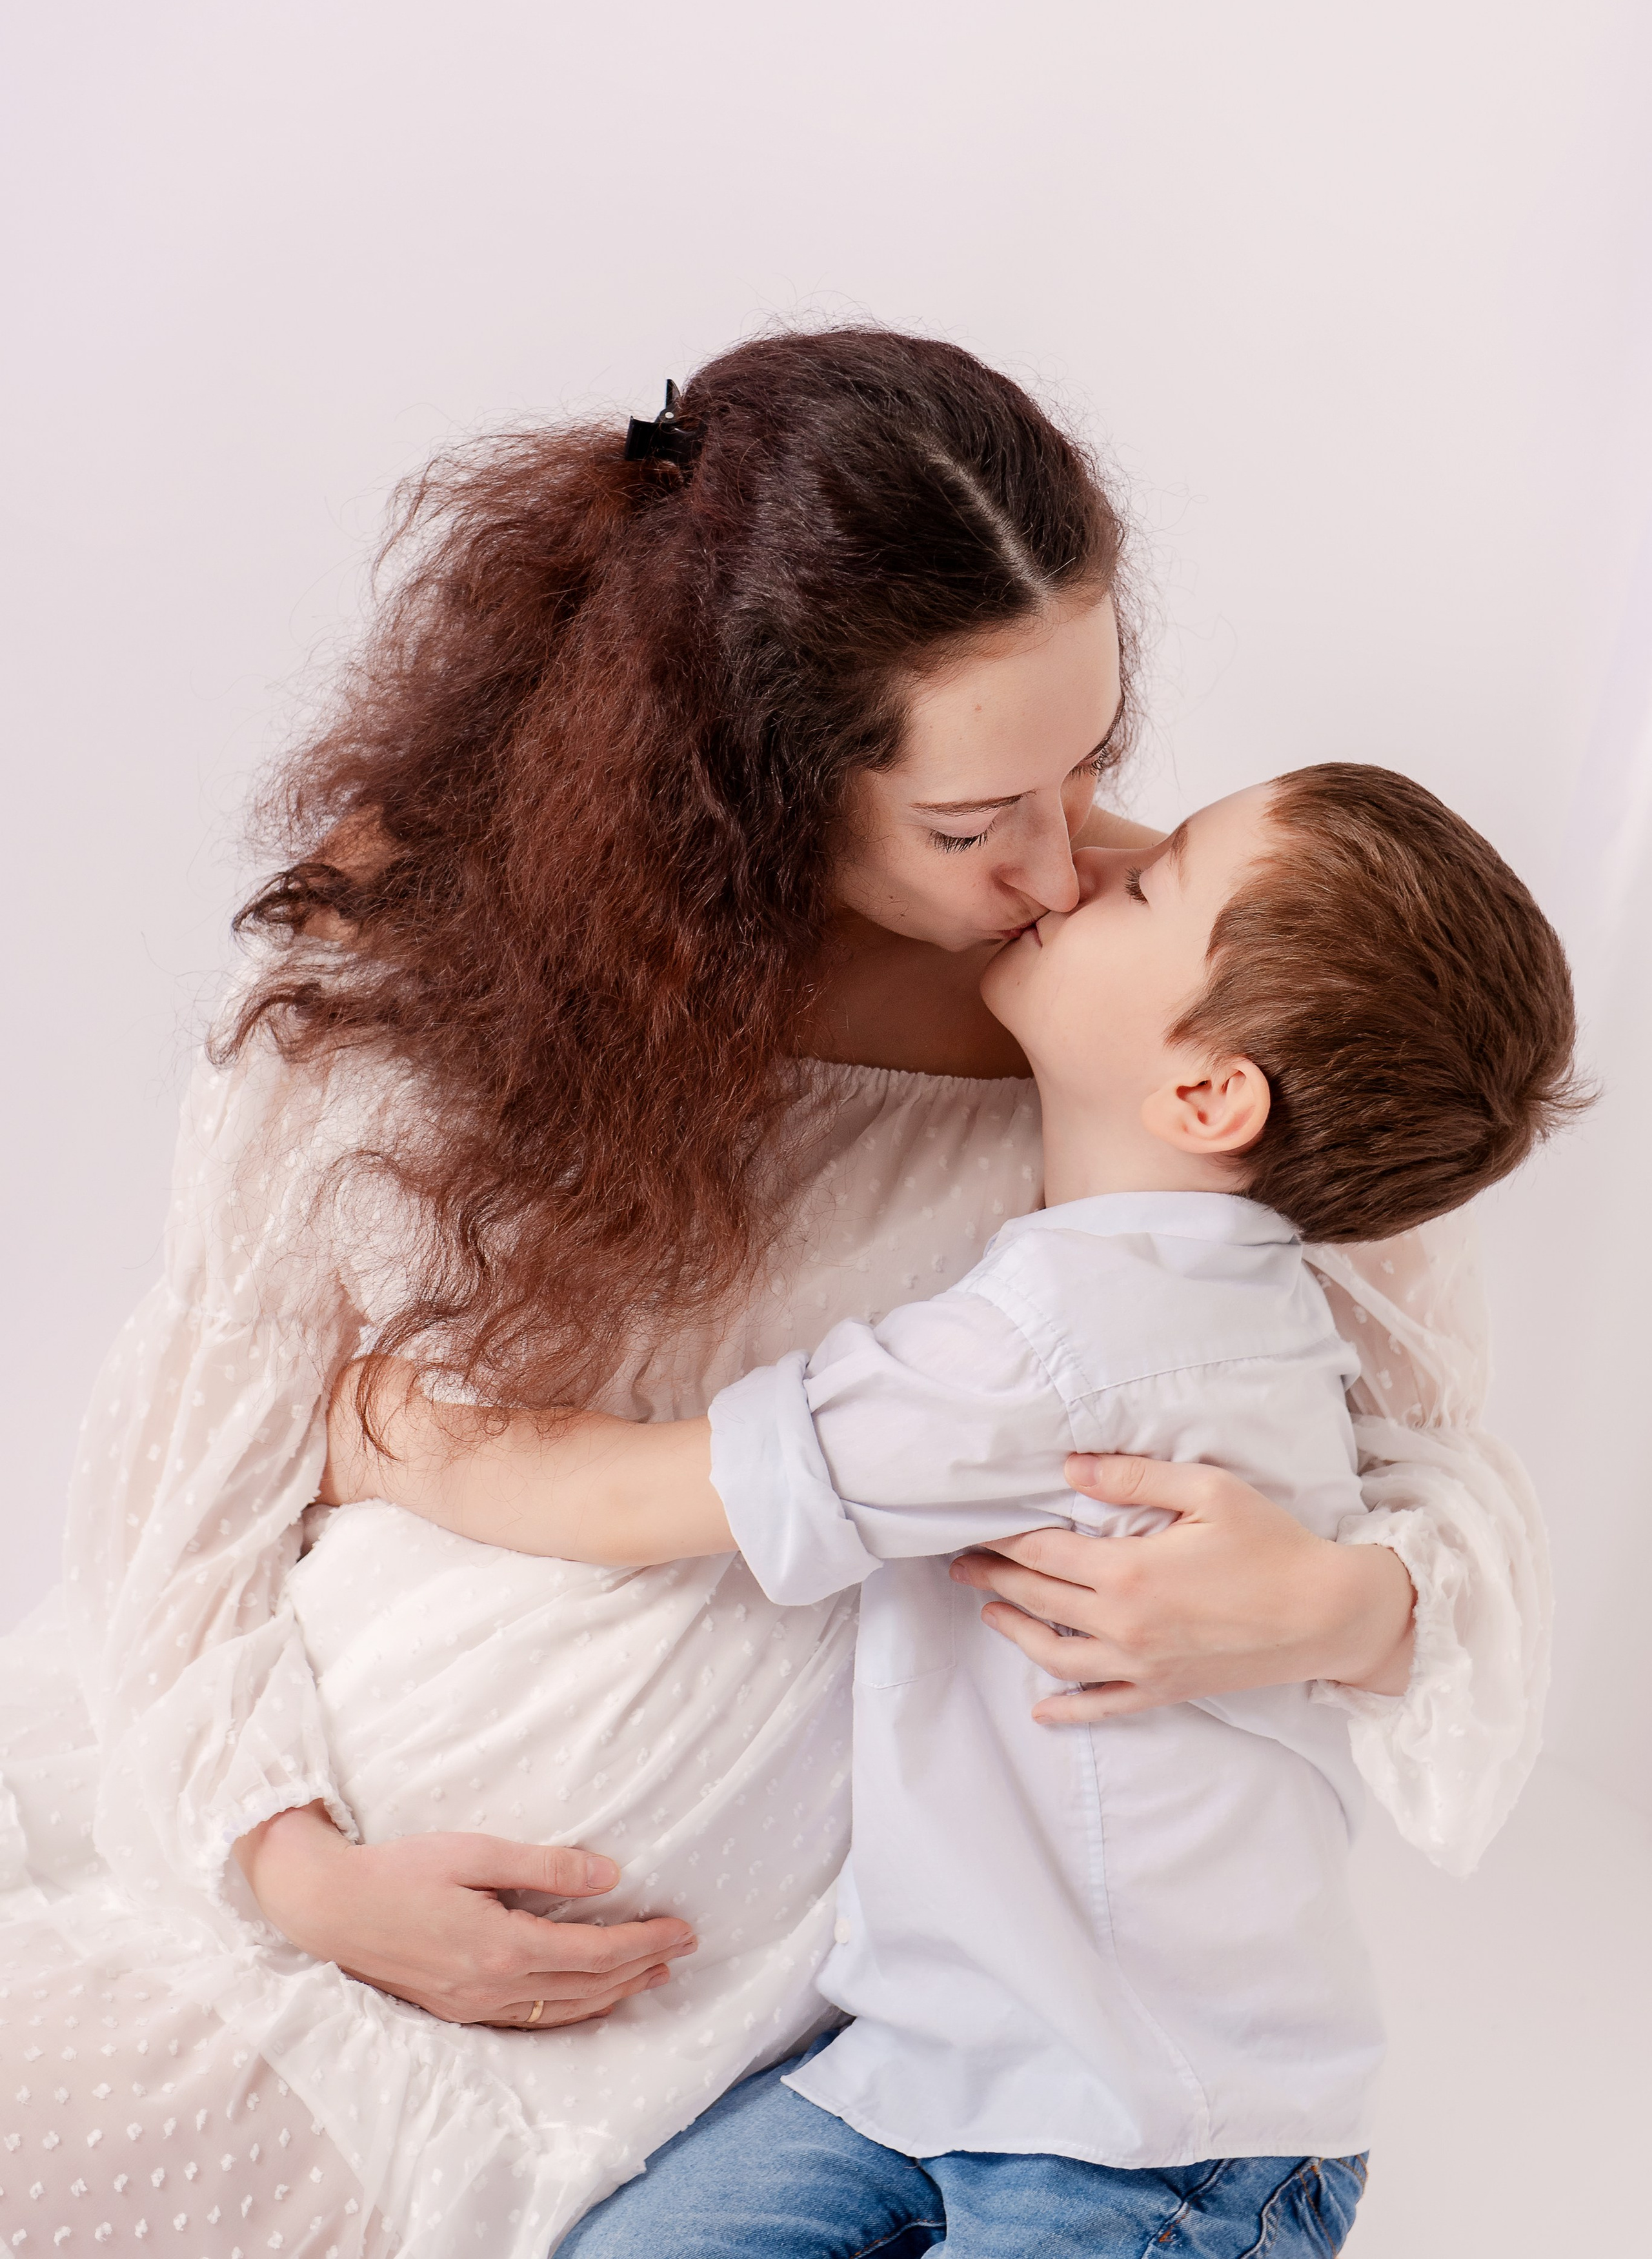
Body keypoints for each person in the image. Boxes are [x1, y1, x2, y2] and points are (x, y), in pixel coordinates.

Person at [0, 334, 1546, 2258]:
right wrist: (290, 1866)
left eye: (1095, 758)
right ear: (742, 781)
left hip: (710, 2054)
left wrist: (1340, 1603)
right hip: (268, 1874)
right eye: (979, 823)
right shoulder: (439, 923)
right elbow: (198, 1454)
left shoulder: (1202, 1024)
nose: (1067, 868)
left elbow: (1437, 1480)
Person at [334, 762, 1582, 2258]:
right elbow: (1160, 920)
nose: (1069, 871)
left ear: (1203, 1092)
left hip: (1160, 2130)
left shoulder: (1068, 1348)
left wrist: (381, 1435)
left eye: (1141, 879)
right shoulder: (1203, 1300)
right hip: (922, 2070)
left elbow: (645, 1496)